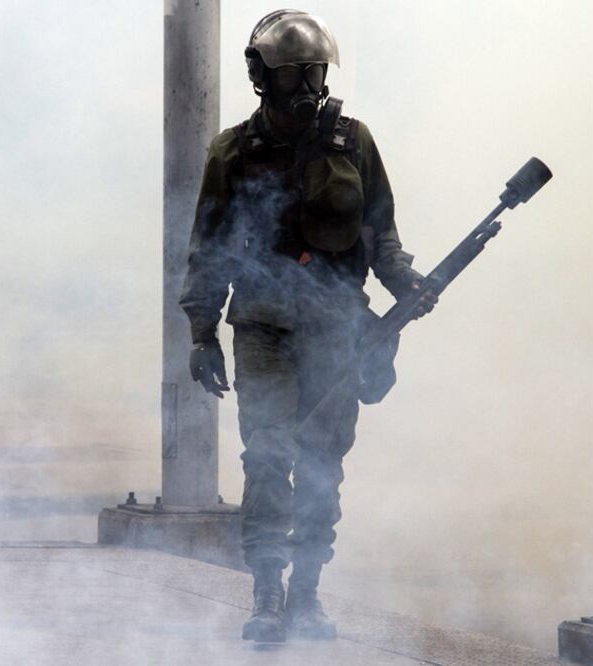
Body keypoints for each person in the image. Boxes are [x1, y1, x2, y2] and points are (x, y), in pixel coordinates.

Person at [179, 10, 436, 643]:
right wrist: (202, 330)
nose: (306, 87)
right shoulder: (232, 152)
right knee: (268, 456)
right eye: (293, 74)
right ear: (262, 77)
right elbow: (208, 246)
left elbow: (382, 232)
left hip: (334, 326)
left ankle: (308, 594)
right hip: (263, 326)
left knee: (323, 464)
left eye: (314, 73)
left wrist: (406, 284)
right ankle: (266, 592)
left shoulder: (353, 142)